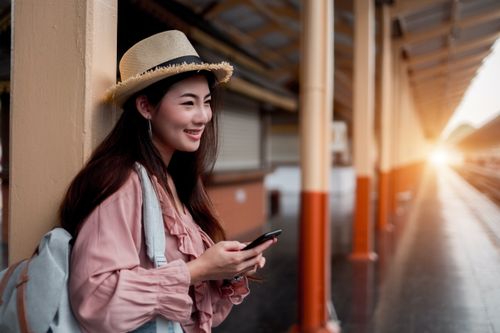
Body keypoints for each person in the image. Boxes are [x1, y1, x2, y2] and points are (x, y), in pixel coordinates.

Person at [59, 30, 276, 333]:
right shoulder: (123, 183)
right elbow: (94, 300)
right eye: (188, 103)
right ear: (146, 107)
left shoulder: (172, 181)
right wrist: (197, 270)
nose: (203, 116)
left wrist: (225, 271)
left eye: (207, 102)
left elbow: (200, 316)